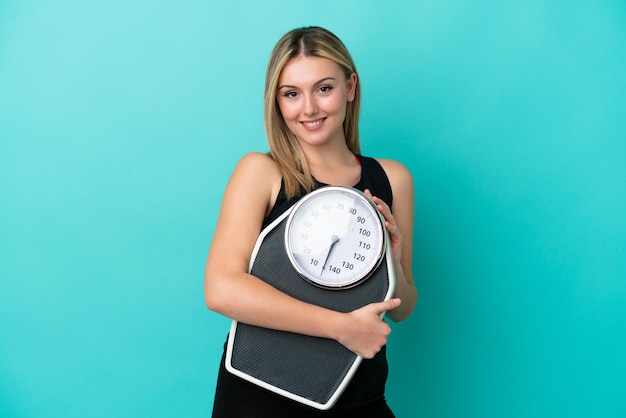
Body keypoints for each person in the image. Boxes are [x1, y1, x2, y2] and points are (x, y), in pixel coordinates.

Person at [204, 26, 418, 418]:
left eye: (323, 88)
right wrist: (340, 326)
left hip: (359, 395)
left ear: (350, 87)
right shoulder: (262, 172)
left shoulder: (393, 179)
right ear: (277, 102)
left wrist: (396, 263)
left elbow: (402, 307)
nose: (309, 108)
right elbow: (221, 289)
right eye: (291, 94)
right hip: (260, 396)